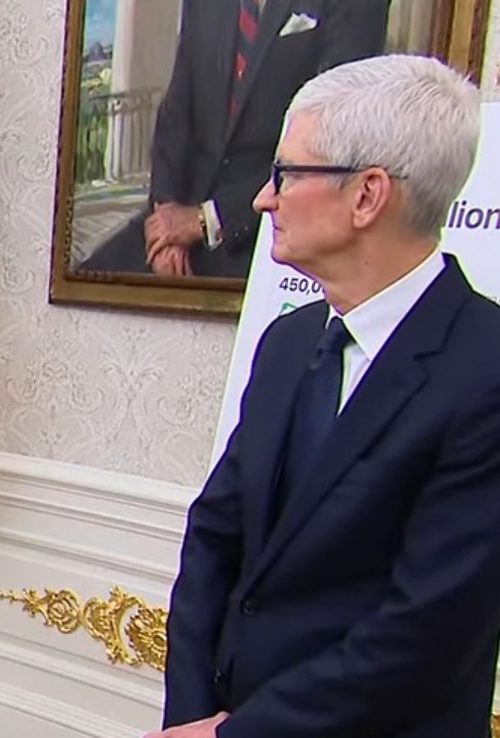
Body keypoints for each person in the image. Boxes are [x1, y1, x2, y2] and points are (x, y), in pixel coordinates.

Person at [153, 54, 500, 738]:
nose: (263, 199)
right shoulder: (288, 341)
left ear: (367, 195)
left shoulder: (485, 367)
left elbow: (425, 635)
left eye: (285, 174)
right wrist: (192, 720)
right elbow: (215, 539)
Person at [78, 0, 389, 278]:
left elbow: (332, 138)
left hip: (268, 226)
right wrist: (166, 221)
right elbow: (176, 116)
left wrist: (208, 219)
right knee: (85, 282)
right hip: (181, 211)